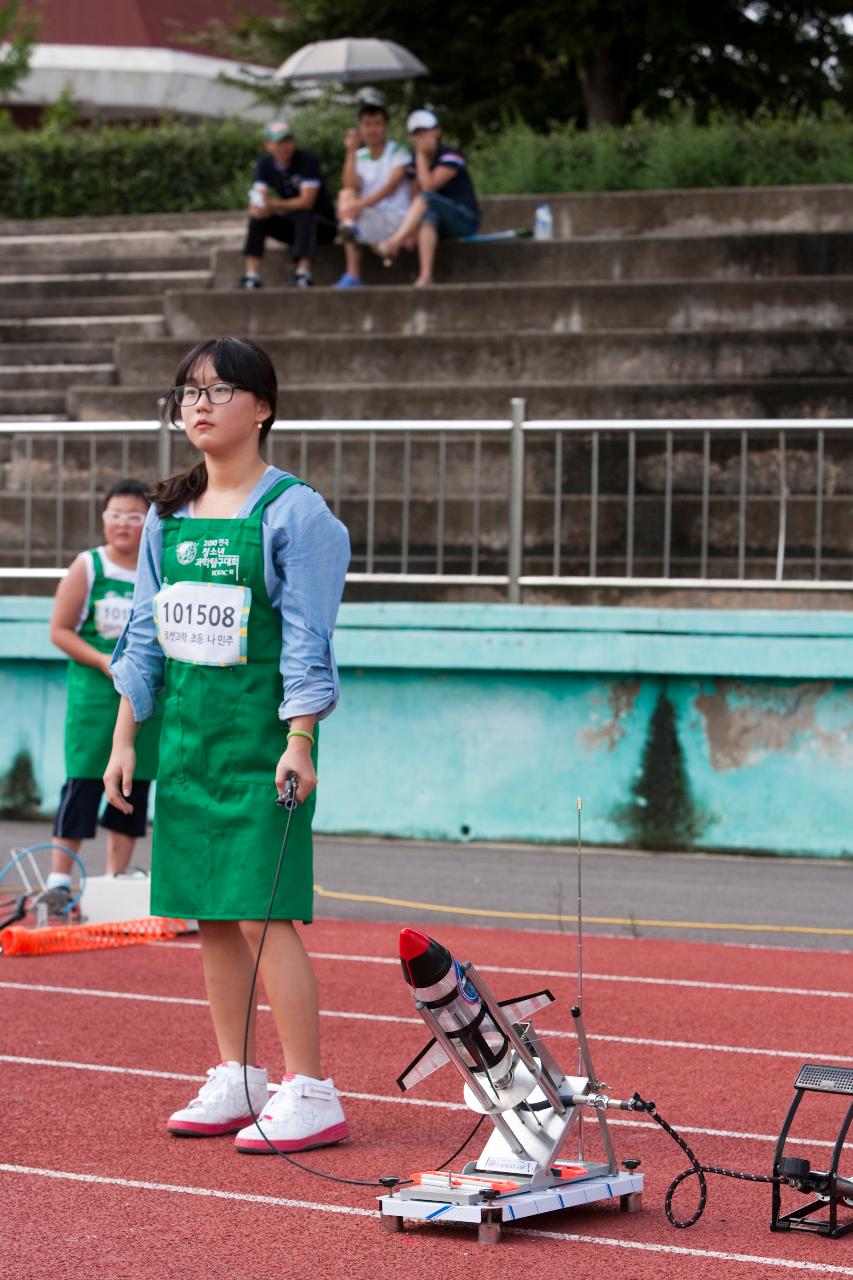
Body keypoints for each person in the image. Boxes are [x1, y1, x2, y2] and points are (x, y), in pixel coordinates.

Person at [104, 337, 351, 1154]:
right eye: (187, 393)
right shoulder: (166, 516)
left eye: (218, 391)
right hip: (187, 741)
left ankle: (309, 1088)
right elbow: (143, 635)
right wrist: (124, 739)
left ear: (264, 407)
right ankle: (238, 1074)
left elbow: (311, 638)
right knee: (207, 912)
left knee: (260, 909)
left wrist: (301, 739)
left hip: (260, 740)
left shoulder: (296, 513)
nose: (199, 405)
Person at [44, 480, 161, 912]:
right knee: (83, 780)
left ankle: (115, 882)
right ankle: (58, 881)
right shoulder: (88, 566)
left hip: (145, 699)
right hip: (95, 698)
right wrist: (101, 661)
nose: (123, 524)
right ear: (103, 519)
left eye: (135, 516)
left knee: (132, 786)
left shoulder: (159, 567)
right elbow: (59, 630)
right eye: (115, 515)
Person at [377, 109, 481, 288]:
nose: (422, 137)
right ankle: (426, 276)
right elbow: (415, 199)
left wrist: (421, 157)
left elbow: (428, 188)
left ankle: (394, 241)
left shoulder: (451, 156)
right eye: (417, 133)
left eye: (426, 131)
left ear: (437, 131)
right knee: (427, 219)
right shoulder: (413, 165)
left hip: (465, 218)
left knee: (427, 198)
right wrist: (411, 231)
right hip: (439, 221)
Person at [239, 121, 338, 291]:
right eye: (279, 142)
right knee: (258, 219)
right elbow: (258, 195)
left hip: (323, 226)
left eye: (288, 141)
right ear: (268, 145)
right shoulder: (265, 164)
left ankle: (303, 274)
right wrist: (259, 207)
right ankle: (251, 276)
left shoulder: (307, 161)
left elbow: (307, 201)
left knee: (304, 214)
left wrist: (272, 204)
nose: (285, 146)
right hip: (294, 227)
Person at [335, 103, 413, 288]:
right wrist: (350, 152)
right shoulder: (360, 155)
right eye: (367, 124)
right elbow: (349, 184)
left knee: (349, 210)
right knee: (346, 194)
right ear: (360, 128)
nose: (372, 129)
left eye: (377, 124)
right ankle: (353, 270)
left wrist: (359, 206)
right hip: (369, 217)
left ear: (386, 127)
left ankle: (354, 233)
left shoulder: (398, 152)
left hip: (396, 218)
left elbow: (390, 188)